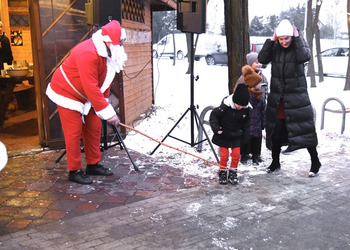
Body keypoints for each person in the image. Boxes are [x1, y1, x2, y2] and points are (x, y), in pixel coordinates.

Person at [46, 20, 127, 184]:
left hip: (88, 96)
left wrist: (103, 107)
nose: (124, 45)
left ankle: (93, 164)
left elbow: (104, 83)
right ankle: (74, 170)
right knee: (73, 132)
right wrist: (109, 112)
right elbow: (90, 86)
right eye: (122, 42)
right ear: (110, 41)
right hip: (67, 93)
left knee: (94, 127)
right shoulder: (88, 53)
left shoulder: (109, 54)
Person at [258, 19, 321, 177]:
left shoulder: (299, 45)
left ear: (292, 36)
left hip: (297, 99)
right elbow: (262, 59)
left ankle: (315, 162)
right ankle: (275, 162)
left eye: (287, 38)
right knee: (276, 132)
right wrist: (271, 41)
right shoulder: (275, 47)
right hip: (278, 98)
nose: (284, 41)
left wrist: (298, 37)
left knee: (304, 132)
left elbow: (304, 57)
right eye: (281, 39)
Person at [209, 69, 262, 185]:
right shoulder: (225, 107)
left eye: (242, 106)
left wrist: (246, 137)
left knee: (236, 155)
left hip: (236, 135)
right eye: (238, 105)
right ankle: (223, 172)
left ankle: (233, 172)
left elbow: (246, 125)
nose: (239, 108)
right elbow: (213, 116)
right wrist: (217, 128)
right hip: (224, 134)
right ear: (234, 101)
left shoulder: (246, 110)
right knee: (224, 155)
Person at [236, 52, 268, 165]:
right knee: (246, 134)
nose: (259, 64)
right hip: (247, 110)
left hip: (259, 109)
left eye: (260, 62)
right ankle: (244, 154)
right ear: (250, 63)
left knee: (257, 134)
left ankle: (256, 154)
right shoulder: (244, 78)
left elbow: (266, 91)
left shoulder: (263, 77)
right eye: (256, 62)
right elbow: (237, 92)